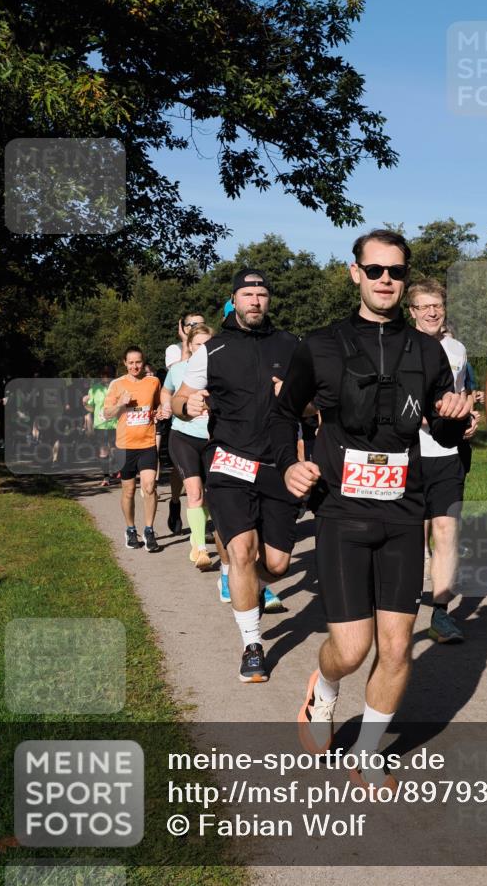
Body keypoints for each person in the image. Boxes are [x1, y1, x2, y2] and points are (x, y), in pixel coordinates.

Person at [270, 229, 470, 788]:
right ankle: (324, 689)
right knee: (353, 649)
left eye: (396, 272)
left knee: (400, 645)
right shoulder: (320, 344)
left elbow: (446, 432)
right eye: (376, 270)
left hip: (405, 510)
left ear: (405, 281)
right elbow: (284, 414)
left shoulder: (429, 351)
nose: (386, 280)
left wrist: (454, 415)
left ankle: (369, 746)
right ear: (355, 273)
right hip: (341, 511)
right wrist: (290, 465)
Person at [172, 270, 301, 682]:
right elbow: (178, 399)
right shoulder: (212, 350)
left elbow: (318, 408)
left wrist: (298, 397)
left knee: (277, 566)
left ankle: (251, 587)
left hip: (278, 466)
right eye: (248, 294)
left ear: (269, 301)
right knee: (242, 550)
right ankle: (252, 646)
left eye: (262, 293)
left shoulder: (292, 347)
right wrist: (186, 408)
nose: (256, 301)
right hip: (229, 461)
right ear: (234, 300)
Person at [407, 278, 479, 643]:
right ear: (412, 312)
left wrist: (468, 417)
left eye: (438, 305)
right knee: (407, 536)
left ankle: (441, 614)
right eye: (424, 306)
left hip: (448, 455)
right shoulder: (401, 346)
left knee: (447, 532)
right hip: (407, 454)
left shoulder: (457, 348)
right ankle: (398, 611)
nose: (433, 312)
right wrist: (431, 418)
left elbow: (462, 392)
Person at [164, 324, 218, 570]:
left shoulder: (222, 370)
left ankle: (198, 536)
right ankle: (200, 548)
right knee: (194, 492)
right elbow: (167, 392)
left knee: (209, 494)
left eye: (208, 344)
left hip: (212, 439)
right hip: (184, 436)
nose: (203, 349)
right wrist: (168, 405)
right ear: (189, 346)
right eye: (198, 344)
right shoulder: (178, 370)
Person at [104, 346, 164, 551]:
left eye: (138, 362)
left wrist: (159, 413)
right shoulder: (117, 384)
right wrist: (121, 403)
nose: (135, 366)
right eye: (131, 362)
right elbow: (107, 413)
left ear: (143, 361)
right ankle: (130, 529)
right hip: (125, 446)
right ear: (125, 363)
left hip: (147, 443)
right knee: (128, 491)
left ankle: (149, 530)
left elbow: (157, 406)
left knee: (149, 487)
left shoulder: (153, 382)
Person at [163, 312, 205, 534]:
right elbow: (175, 379)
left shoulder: (211, 346)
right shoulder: (174, 351)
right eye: (192, 324)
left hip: (206, 430)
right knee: (182, 476)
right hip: (182, 428)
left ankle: (202, 525)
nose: (197, 326)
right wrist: (185, 344)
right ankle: (175, 502)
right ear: (183, 327)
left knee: (200, 485)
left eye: (201, 323)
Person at [83, 365, 118, 487]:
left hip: (116, 424)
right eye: (104, 374)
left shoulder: (119, 387)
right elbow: (91, 408)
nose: (106, 376)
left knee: (114, 450)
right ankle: (106, 478)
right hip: (100, 426)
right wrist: (84, 403)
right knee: (103, 452)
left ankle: (115, 468)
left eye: (109, 374)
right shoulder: (94, 389)